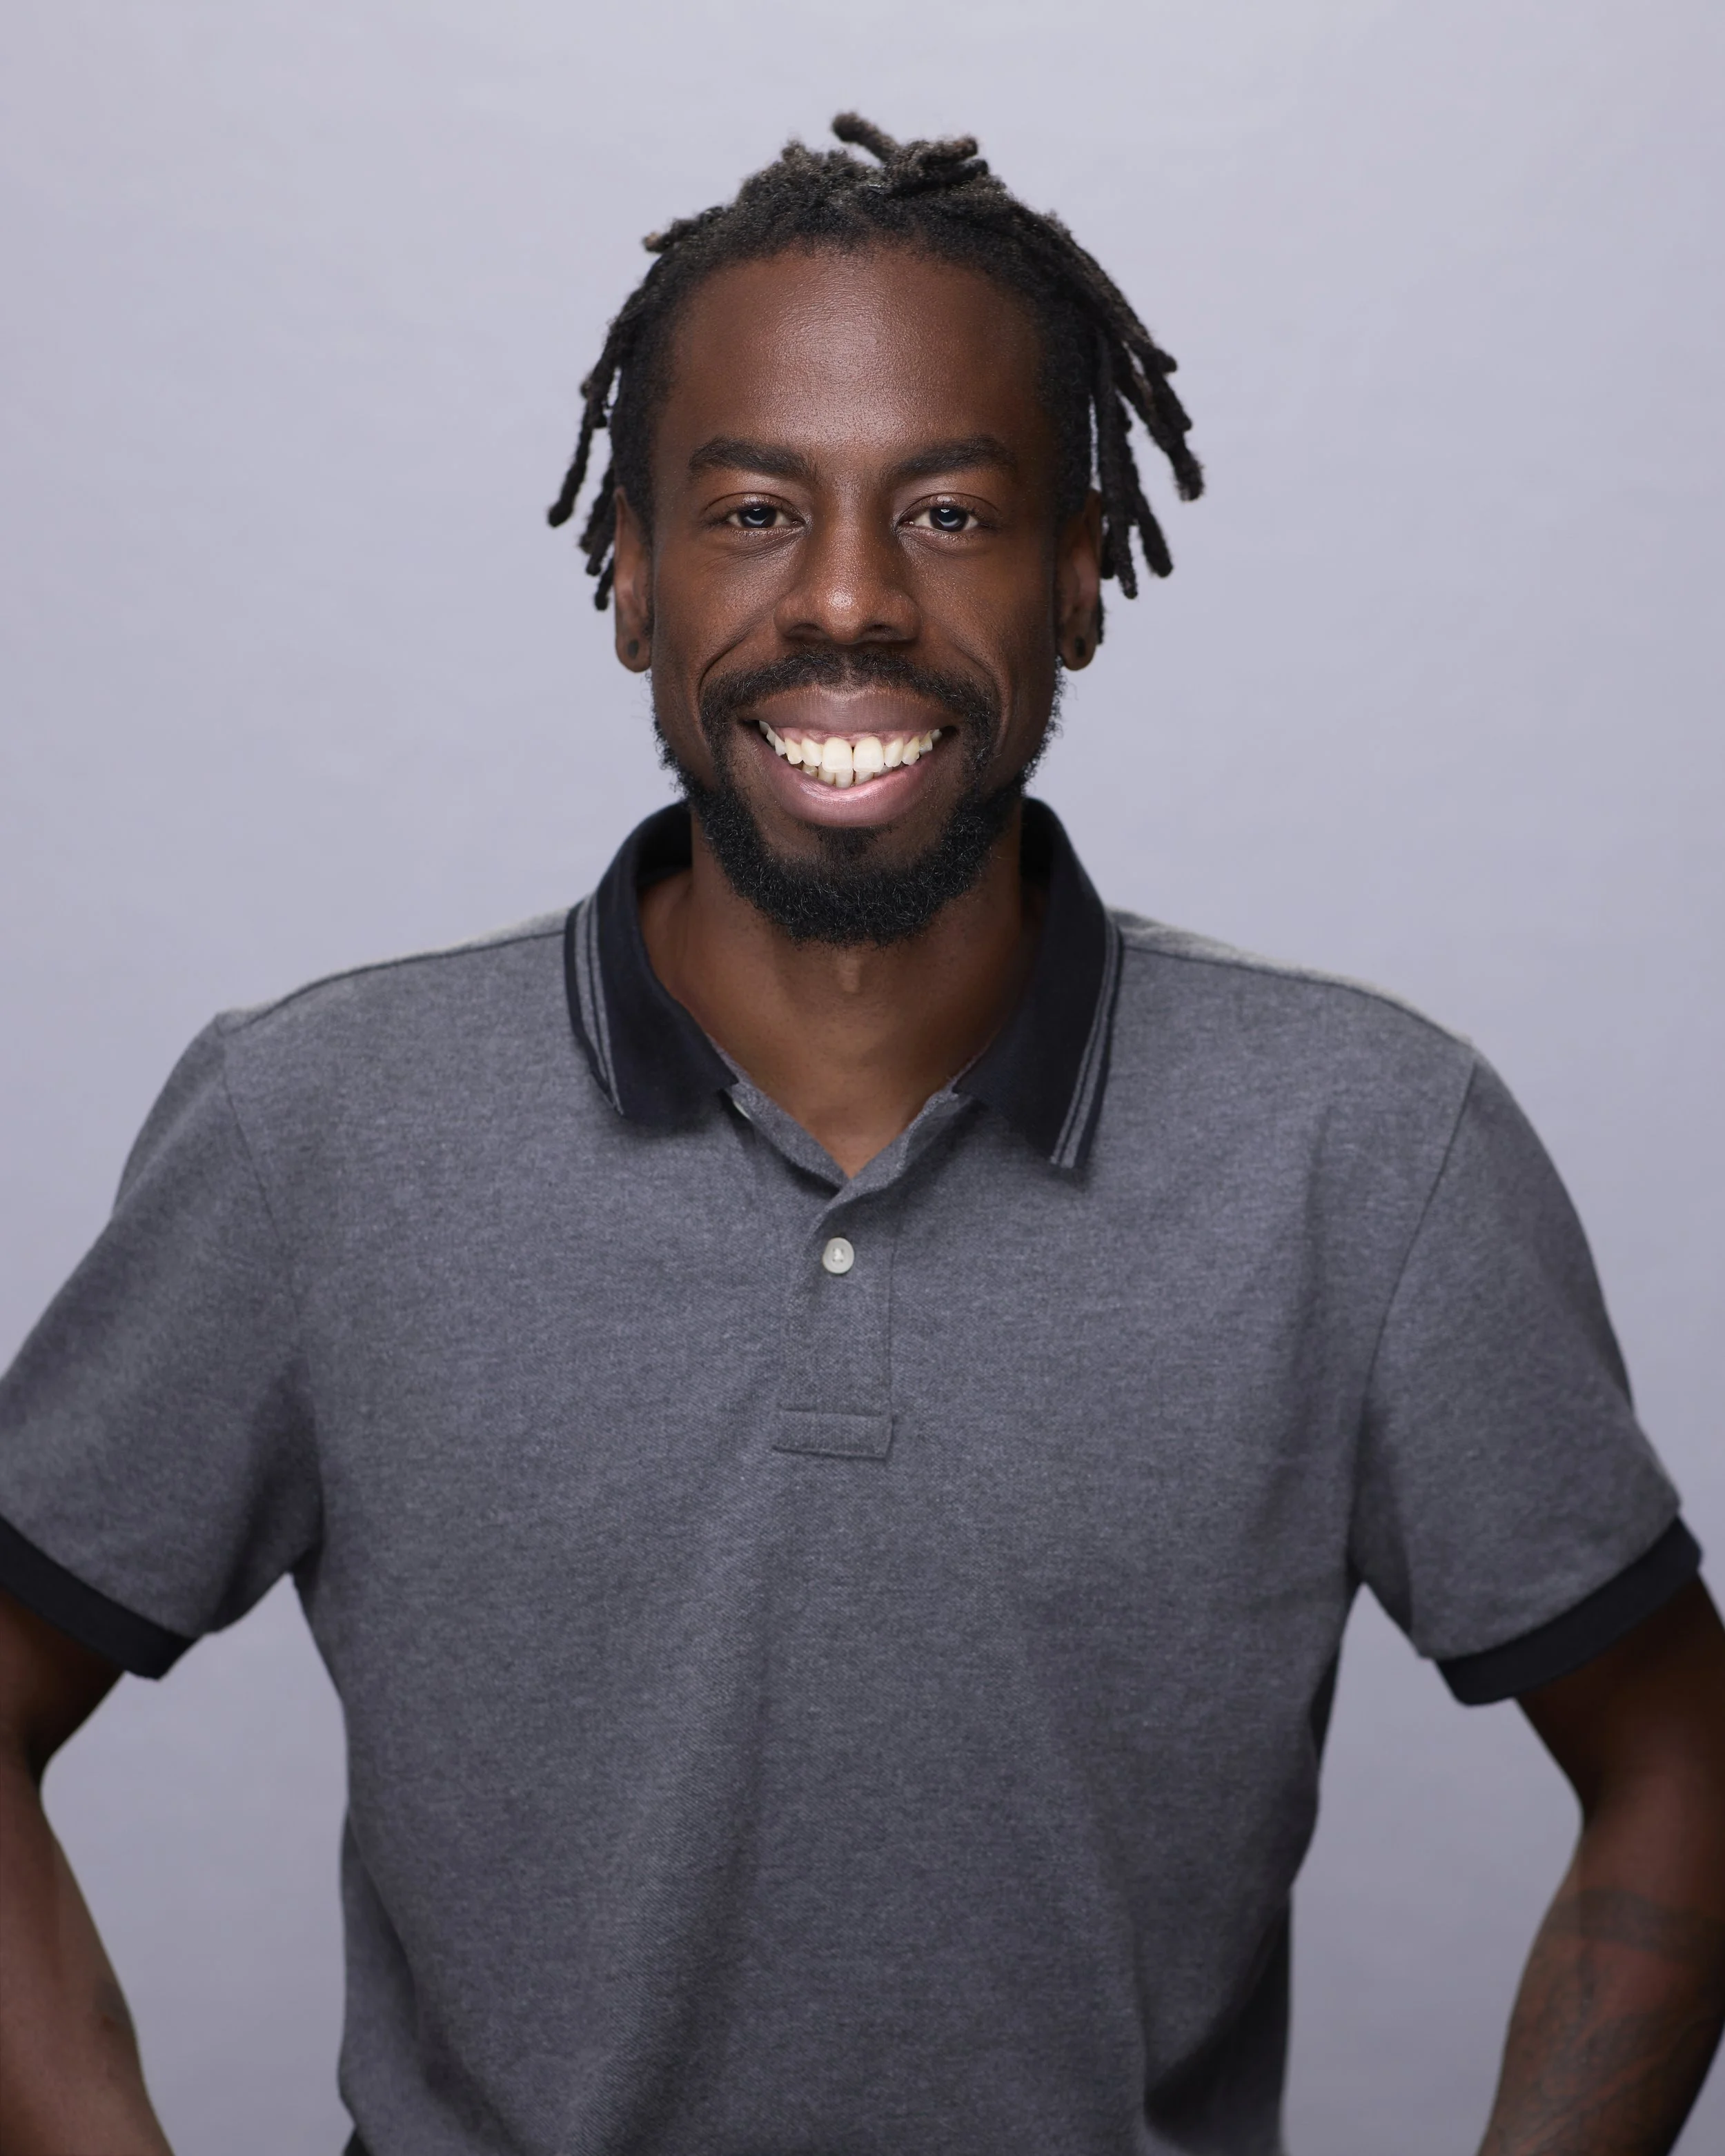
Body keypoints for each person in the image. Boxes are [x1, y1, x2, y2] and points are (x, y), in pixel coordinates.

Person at [1, 112, 1721, 2156]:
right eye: (746, 511)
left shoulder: (1369, 1150)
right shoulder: (318, 1134)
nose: (845, 600)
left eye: (950, 514)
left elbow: (1677, 1751)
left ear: (1084, 572)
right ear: (625, 574)